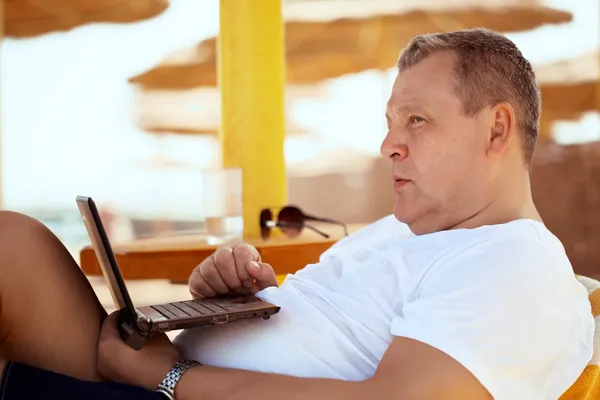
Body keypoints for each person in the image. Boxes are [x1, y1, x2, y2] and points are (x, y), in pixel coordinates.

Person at [0, 28, 594, 400]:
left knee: (10, 252)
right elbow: (329, 337)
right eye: (389, 123)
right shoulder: (406, 233)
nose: (390, 145)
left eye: (417, 120)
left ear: (497, 130)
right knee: (12, 245)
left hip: (163, 390)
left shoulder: (514, 262)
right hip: (161, 372)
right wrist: (230, 302)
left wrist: (171, 379)